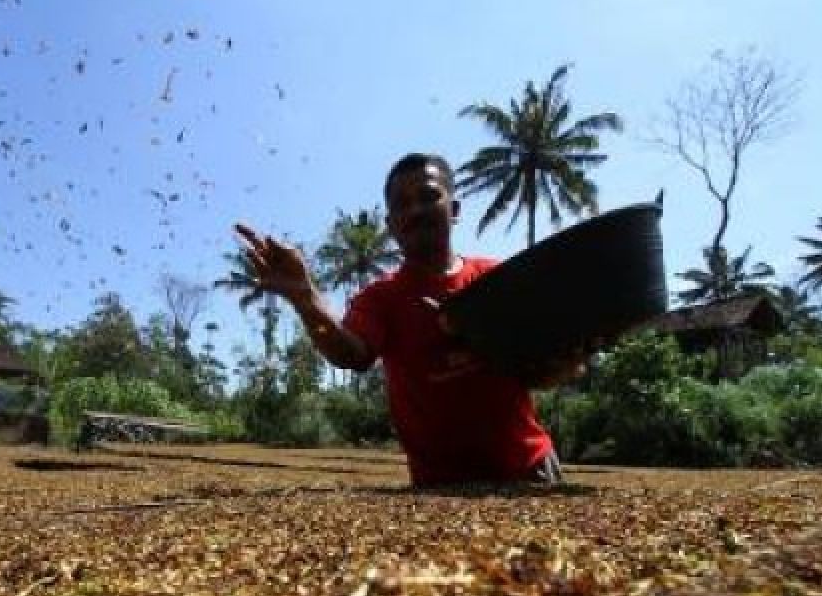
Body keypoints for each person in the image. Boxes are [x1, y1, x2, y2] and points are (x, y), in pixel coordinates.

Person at [234, 152, 587, 487]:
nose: (415, 209)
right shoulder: (380, 298)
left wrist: (567, 360)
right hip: (437, 490)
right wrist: (304, 297)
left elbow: (537, 367)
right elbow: (351, 355)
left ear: (454, 209)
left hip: (529, 469)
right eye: (401, 204)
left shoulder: (497, 279)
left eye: (428, 196)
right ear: (391, 225)